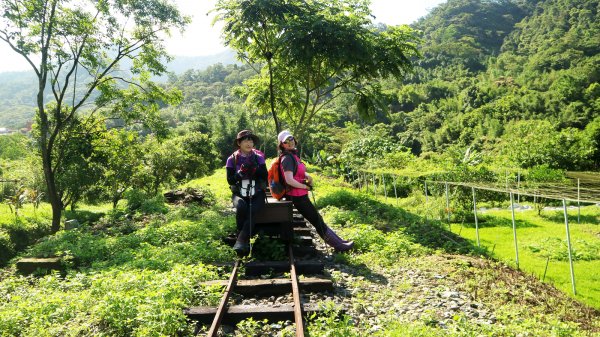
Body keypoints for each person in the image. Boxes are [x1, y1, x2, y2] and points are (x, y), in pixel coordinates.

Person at [277, 130, 353, 252]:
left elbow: (297, 172)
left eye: (291, 139)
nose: (289, 142)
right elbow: (289, 180)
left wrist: (307, 176)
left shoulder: (293, 156)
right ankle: (338, 246)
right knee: (316, 220)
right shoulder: (287, 158)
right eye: (286, 142)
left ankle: (339, 241)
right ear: (282, 145)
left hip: (300, 194)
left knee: (317, 219)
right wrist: (304, 187)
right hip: (296, 195)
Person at [226, 130, 268, 255]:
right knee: (241, 206)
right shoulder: (231, 159)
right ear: (239, 143)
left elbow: (265, 176)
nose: (249, 143)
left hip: (257, 191)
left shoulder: (258, 157)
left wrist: (255, 169)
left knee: (253, 210)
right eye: (245, 140)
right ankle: (242, 237)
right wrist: (240, 174)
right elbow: (230, 180)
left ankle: (241, 240)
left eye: (251, 140)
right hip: (239, 192)